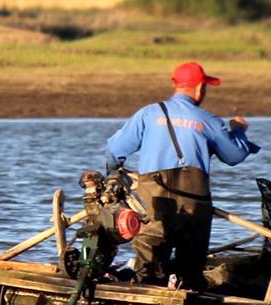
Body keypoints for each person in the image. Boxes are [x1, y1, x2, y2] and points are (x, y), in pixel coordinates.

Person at [105, 61, 258, 290]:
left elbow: (114, 151)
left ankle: (146, 294)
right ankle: (187, 296)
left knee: (149, 257)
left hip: (154, 200)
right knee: (190, 268)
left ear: (176, 85)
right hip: (193, 203)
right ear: (199, 89)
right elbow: (234, 156)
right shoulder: (207, 120)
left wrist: (114, 177)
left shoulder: (149, 113)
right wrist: (238, 131)